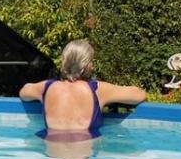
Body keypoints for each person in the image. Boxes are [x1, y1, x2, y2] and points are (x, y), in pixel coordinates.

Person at [19, 39, 148, 143]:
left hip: (52, 156)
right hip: (84, 157)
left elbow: (24, 92)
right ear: (86, 65)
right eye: (91, 61)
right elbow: (139, 95)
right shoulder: (98, 89)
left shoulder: (45, 88)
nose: (93, 65)